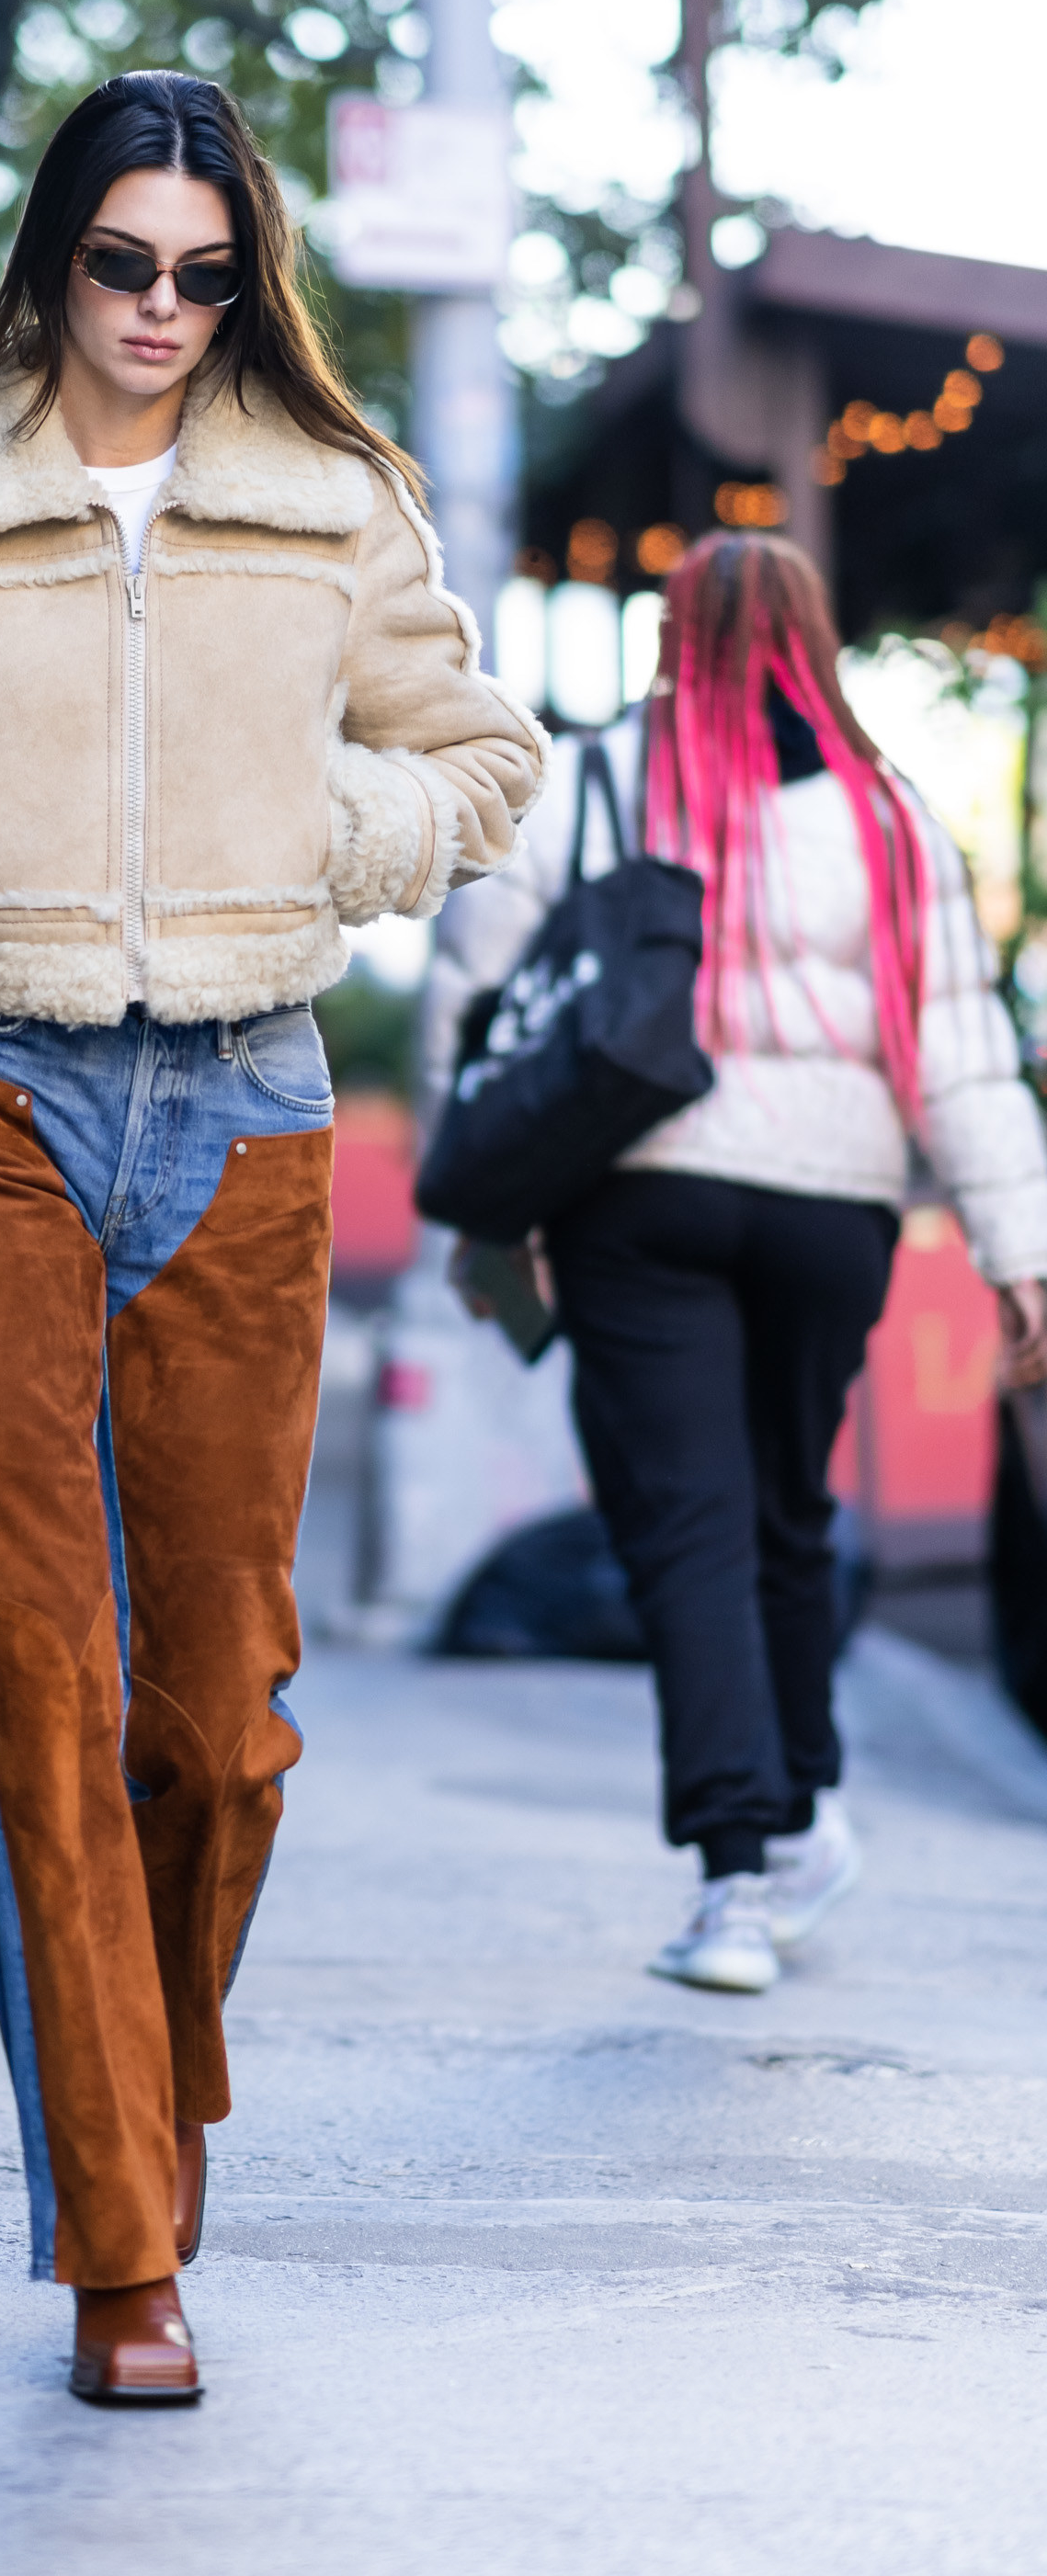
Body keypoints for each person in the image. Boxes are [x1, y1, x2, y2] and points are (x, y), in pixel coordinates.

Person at [0, 69, 546, 2401]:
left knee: (220, 1720)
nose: (157, 310)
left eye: (202, 269)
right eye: (116, 263)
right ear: (50, 261)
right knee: (35, 1685)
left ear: (244, 277)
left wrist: (323, 827)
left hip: (249, 1100)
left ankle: (141, 2091)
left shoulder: (331, 502)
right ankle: (120, 2241)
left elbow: (478, 762)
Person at [427, 530, 1047, 1995]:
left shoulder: (589, 780)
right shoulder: (892, 814)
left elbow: (480, 1000)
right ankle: (804, 1804)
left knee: (690, 1525)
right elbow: (963, 1051)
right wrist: (1022, 1252)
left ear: (672, 635)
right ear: (816, 636)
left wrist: (484, 1211)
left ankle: (739, 1880)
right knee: (781, 1509)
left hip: (642, 1194)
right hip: (834, 1210)